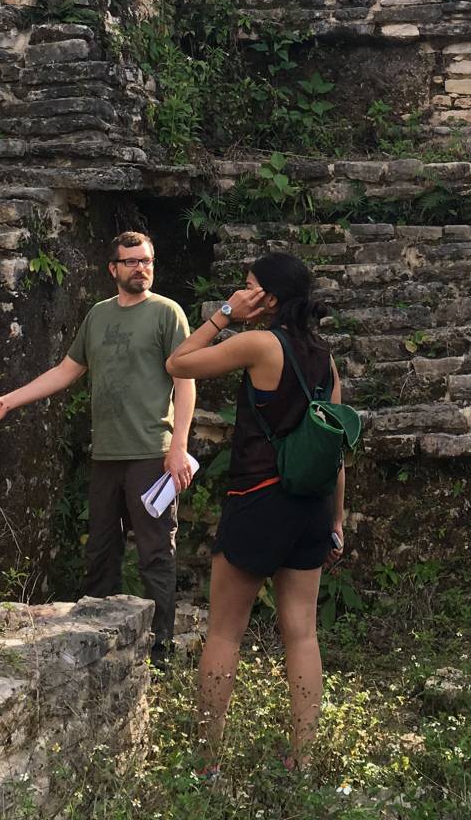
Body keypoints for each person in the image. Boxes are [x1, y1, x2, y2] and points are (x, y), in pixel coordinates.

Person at [0, 230, 196, 663]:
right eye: (130, 261)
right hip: (106, 454)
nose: (140, 268)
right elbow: (65, 371)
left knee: (155, 554)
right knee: (100, 553)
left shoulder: (168, 313)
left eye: (146, 260)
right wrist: (7, 402)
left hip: (152, 453)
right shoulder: (98, 315)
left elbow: (185, 381)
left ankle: (160, 652)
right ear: (113, 269)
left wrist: (178, 446)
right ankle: (99, 646)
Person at [165, 253, 345, 776]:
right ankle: (304, 761)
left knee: (224, 632)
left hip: (258, 500)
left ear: (266, 297)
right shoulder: (324, 358)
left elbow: (178, 363)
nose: (241, 292)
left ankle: (207, 762)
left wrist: (225, 314)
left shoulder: (260, 343)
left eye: (248, 287)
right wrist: (337, 519)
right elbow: (334, 448)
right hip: (310, 507)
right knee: (303, 633)